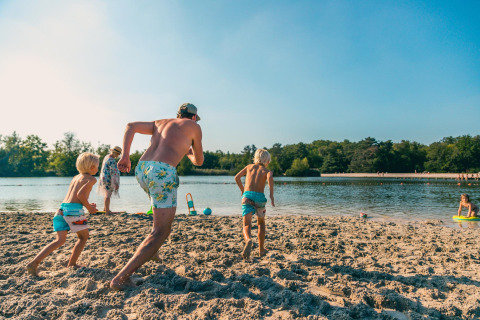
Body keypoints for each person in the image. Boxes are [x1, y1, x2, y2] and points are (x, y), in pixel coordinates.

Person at [110, 102, 204, 290]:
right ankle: (121, 278)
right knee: (162, 231)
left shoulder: (161, 123)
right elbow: (199, 161)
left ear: (178, 115)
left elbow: (130, 126)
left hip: (143, 169)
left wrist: (125, 156)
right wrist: (189, 150)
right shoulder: (194, 127)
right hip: (163, 172)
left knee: (159, 218)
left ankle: (153, 254)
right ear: (193, 117)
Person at [27, 152, 99, 276]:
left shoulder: (76, 177)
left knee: (59, 240)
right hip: (74, 211)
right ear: (92, 167)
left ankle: (34, 263)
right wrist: (89, 208)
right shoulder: (92, 179)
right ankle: (72, 264)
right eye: (97, 166)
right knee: (83, 237)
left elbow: (75, 196)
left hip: (61, 209)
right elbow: (80, 195)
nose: (97, 169)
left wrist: (88, 204)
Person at [234, 149, 275, 260]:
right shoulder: (266, 170)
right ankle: (261, 250)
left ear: (256, 158)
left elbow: (237, 177)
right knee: (261, 223)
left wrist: (243, 190)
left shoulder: (249, 167)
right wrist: (271, 195)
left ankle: (248, 240)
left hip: (247, 196)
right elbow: (270, 178)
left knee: (246, 224)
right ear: (267, 160)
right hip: (260, 198)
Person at [98, 146, 122, 214]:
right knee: (108, 195)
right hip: (109, 179)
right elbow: (114, 173)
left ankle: (105, 208)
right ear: (116, 153)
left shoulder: (106, 157)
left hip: (103, 178)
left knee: (106, 194)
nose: (118, 156)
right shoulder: (112, 160)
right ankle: (107, 211)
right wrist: (116, 183)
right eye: (118, 154)